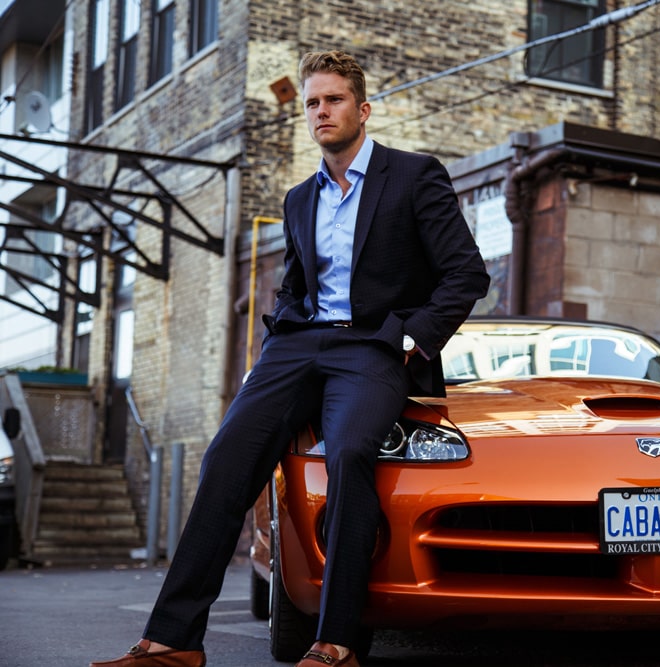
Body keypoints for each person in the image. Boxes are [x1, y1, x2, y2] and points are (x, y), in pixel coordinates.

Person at [90, 50, 490, 667]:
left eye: (332, 100)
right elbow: (295, 286)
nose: (321, 112)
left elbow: (465, 273)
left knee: (351, 452)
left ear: (362, 107)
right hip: (299, 346)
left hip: (372, 347)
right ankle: (172, 641)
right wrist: (275, 346)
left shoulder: (413, 175)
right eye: (311, 103)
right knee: (227, 454)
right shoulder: (300, 197)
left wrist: (411, 339)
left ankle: (337, 642)